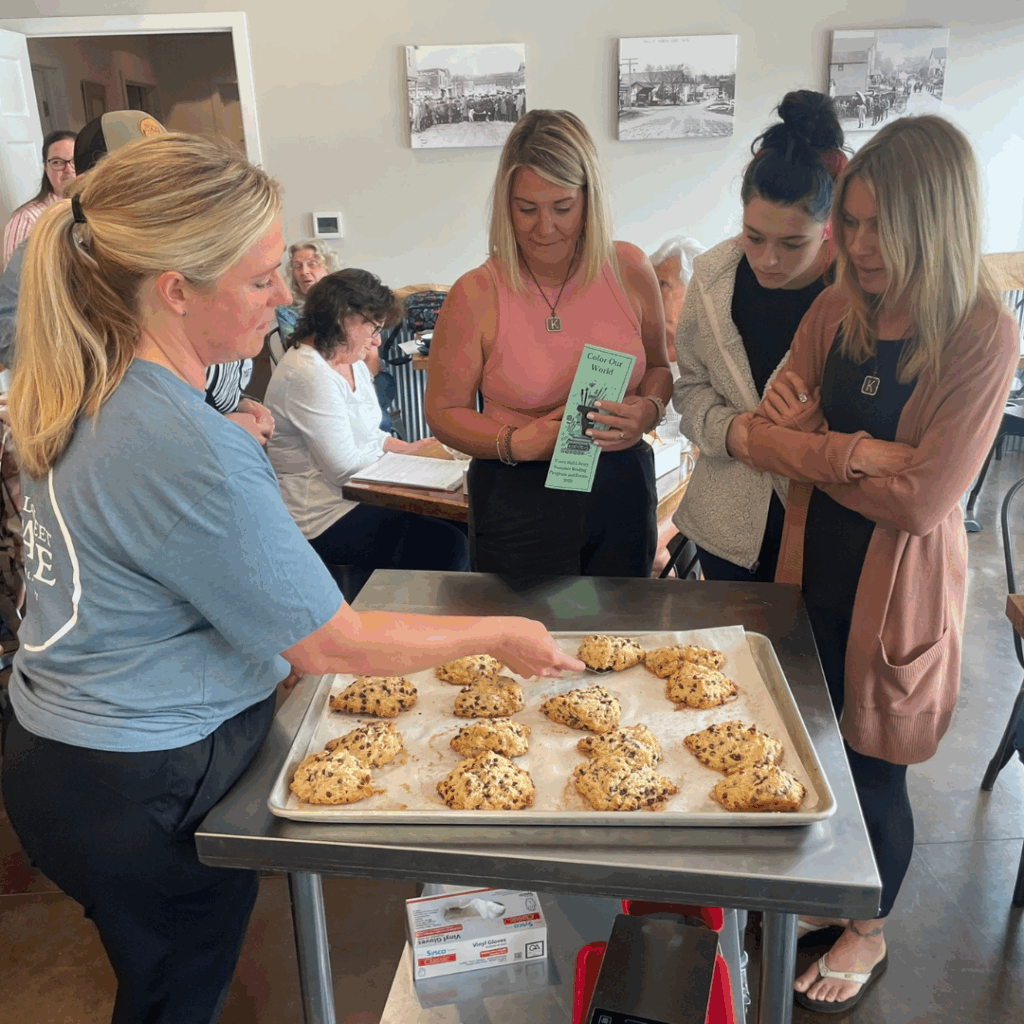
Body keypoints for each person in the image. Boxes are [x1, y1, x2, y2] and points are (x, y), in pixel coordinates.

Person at [0, 132, 580, 1024]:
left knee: (154, 971)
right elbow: (330, 642)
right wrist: (500, 634)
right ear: (176, 290)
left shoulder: (83, 382)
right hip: (139, 780)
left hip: (56, 756)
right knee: (174, 994)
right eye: (263, 276)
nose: (285, 297)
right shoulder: (187, 447)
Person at [739, 115, 1017, 1013]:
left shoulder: (982, 331)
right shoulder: (838, 307)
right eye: (849, 222)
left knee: (873, 764)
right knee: (807, 743)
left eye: (875, 228)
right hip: (809, 564)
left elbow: (926, 502)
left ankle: (871, 927)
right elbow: (768, 440)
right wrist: (858, 454)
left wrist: (819, 443)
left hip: (896, 594)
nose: (854, 246)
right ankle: (828, 897)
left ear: (934, 221)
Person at [425, 109, 672, 577]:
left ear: (589, 200)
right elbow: (443, 413)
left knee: (622, 636)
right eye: (527, 209)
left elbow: (659, 368)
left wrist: (649, 411)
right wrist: (515, 443)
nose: (544, 228)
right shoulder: (476, 293)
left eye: (562, 207)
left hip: (620, 486)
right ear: (505, 203)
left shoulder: (631, 269)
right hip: (517, 491)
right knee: (523, 642)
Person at [673, 90, 848, 583]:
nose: (768, 259)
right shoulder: (712, 278)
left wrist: (807, 435)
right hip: (726, 527)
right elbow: (689, 390)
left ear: (829, 228)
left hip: (828, 529)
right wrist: (731, 433)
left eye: (793, 244)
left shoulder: (854, 294)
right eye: (754, 236)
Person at [264, 268, 470, 578]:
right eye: (373, 328)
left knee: (464, 525)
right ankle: (414, 622)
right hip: (321, 515)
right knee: (448, 544)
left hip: (354, 496)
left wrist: (415, 449)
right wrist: (411, 460)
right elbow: (344, 468)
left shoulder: (349, 360)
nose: (376, 340)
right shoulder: (307, 373)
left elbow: (372, 435)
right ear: (342, 317)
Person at [2, 130, 77, 270]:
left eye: (75, 161)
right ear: (45, 168)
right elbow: (14, 285)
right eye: (57, 162)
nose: (68, 169)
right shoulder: (25, 219)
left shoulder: (98, 208)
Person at [649, 235, 705, 364]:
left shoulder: (716, 359)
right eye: (651, 285)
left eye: (662, 284)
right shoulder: (633, 345)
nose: (651, 293)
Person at [275, 239, 338, 339]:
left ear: (328, 268)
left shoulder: (344, 300)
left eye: (312, 264)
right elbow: (292, 347)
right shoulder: (286, 310)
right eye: (297, 266)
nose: (304, 272)